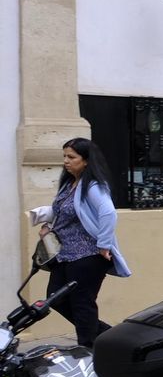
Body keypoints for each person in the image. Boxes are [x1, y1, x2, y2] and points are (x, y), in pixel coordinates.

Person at [43, 138, 130, 347]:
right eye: (65, 156)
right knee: (55, 298)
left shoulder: (92, 186)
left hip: (87, 256)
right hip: (64, 255)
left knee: (82, 304)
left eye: (71, 157)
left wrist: (104, 244)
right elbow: (62, 210)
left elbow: (108, 213)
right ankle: (108, 336)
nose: (66, 161)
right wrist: (47, 224)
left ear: (86, 161)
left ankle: (89, 349)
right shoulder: (69, 184)